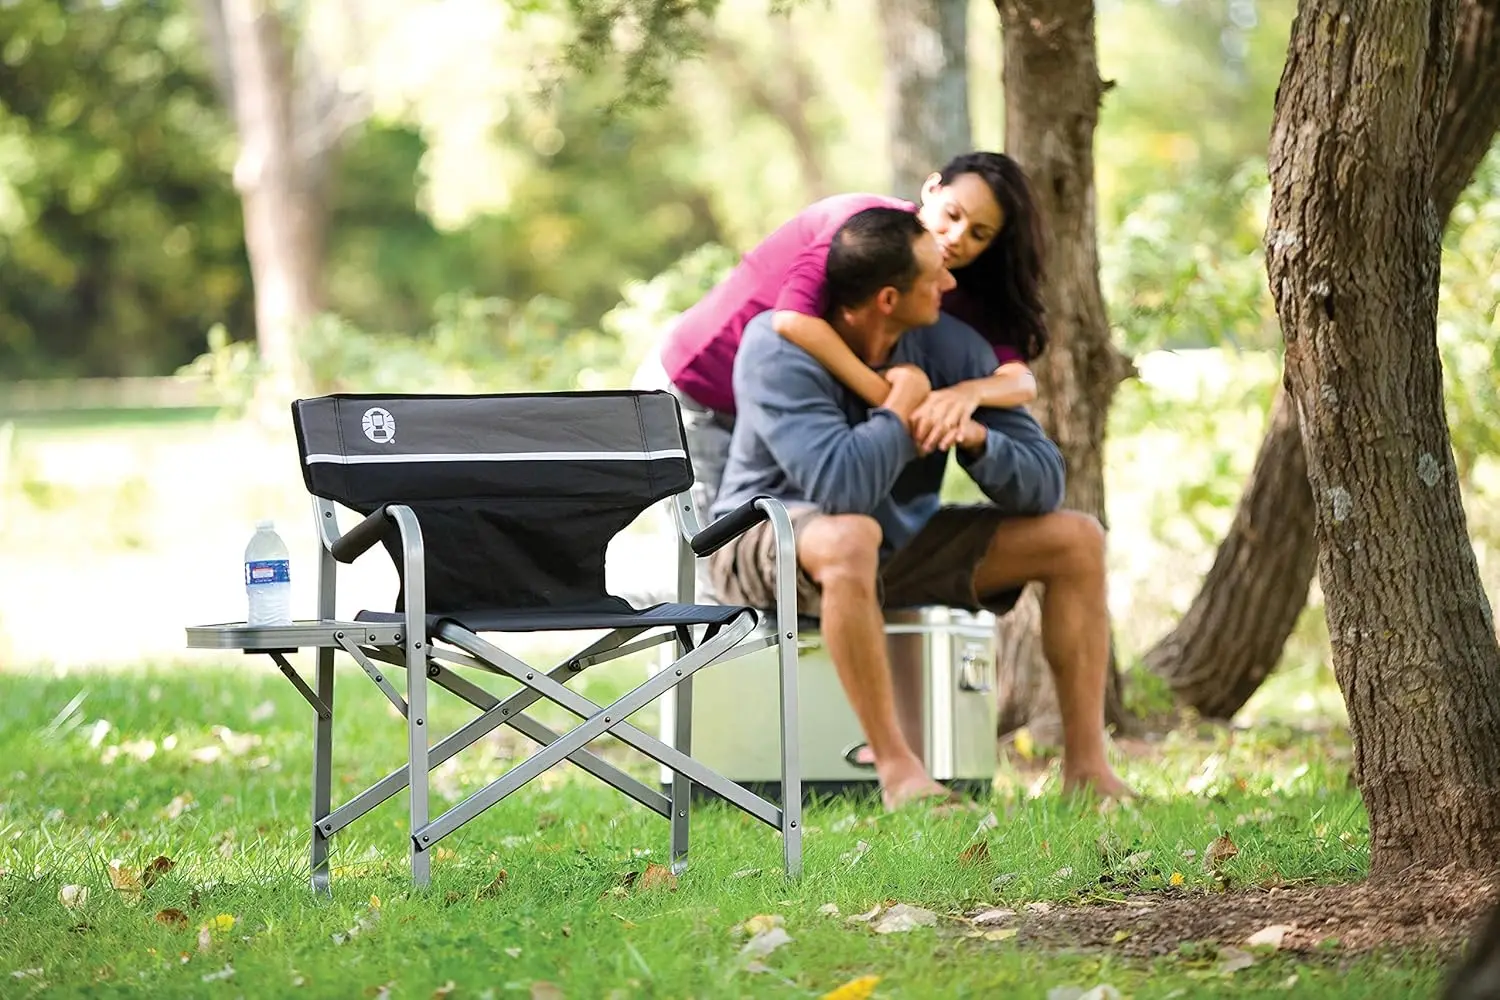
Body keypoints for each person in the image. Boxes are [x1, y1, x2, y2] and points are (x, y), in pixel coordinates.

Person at [707, 206, 1130, 809]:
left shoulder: (950, 346)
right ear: (886, 298)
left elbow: (1044, 485)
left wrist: (977, 435)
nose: (951, 283)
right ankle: (899, 771)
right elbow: (840, 487)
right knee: (851, 534)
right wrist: (903, 406)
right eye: (934, 276)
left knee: (1076, 538)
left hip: (886, 543)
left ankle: (1088, 772)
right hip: (762, 539)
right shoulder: (775, 349)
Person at [650, 151, 1046, 525]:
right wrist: (894, 399)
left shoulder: (942, 283)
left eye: (978, 234)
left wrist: (966, 395)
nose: (957, 236)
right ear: (932, 189)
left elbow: (1018, 380)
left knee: (804, 553)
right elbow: (791, 319)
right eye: (952, 214)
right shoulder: (863, 229)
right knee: (718, 559)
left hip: (782, 414)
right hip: (699, 388)